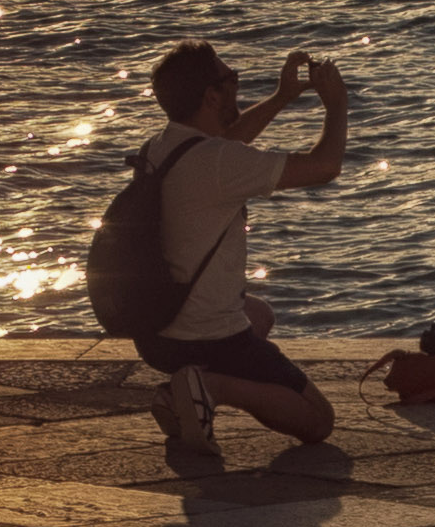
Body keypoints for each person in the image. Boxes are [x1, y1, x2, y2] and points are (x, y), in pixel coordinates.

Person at [133, 35, 350, 462]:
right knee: (318, 420)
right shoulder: (217, 163)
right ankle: (209, 387)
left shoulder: (160, 148)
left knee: (260, 314)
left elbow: (228, 142)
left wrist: (282, 98)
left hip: (155, 329)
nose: (237, 84)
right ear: (212, 96)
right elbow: (324, 166)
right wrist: (337, 104)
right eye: (231, 78)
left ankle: (182, 392)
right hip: (206, 336)